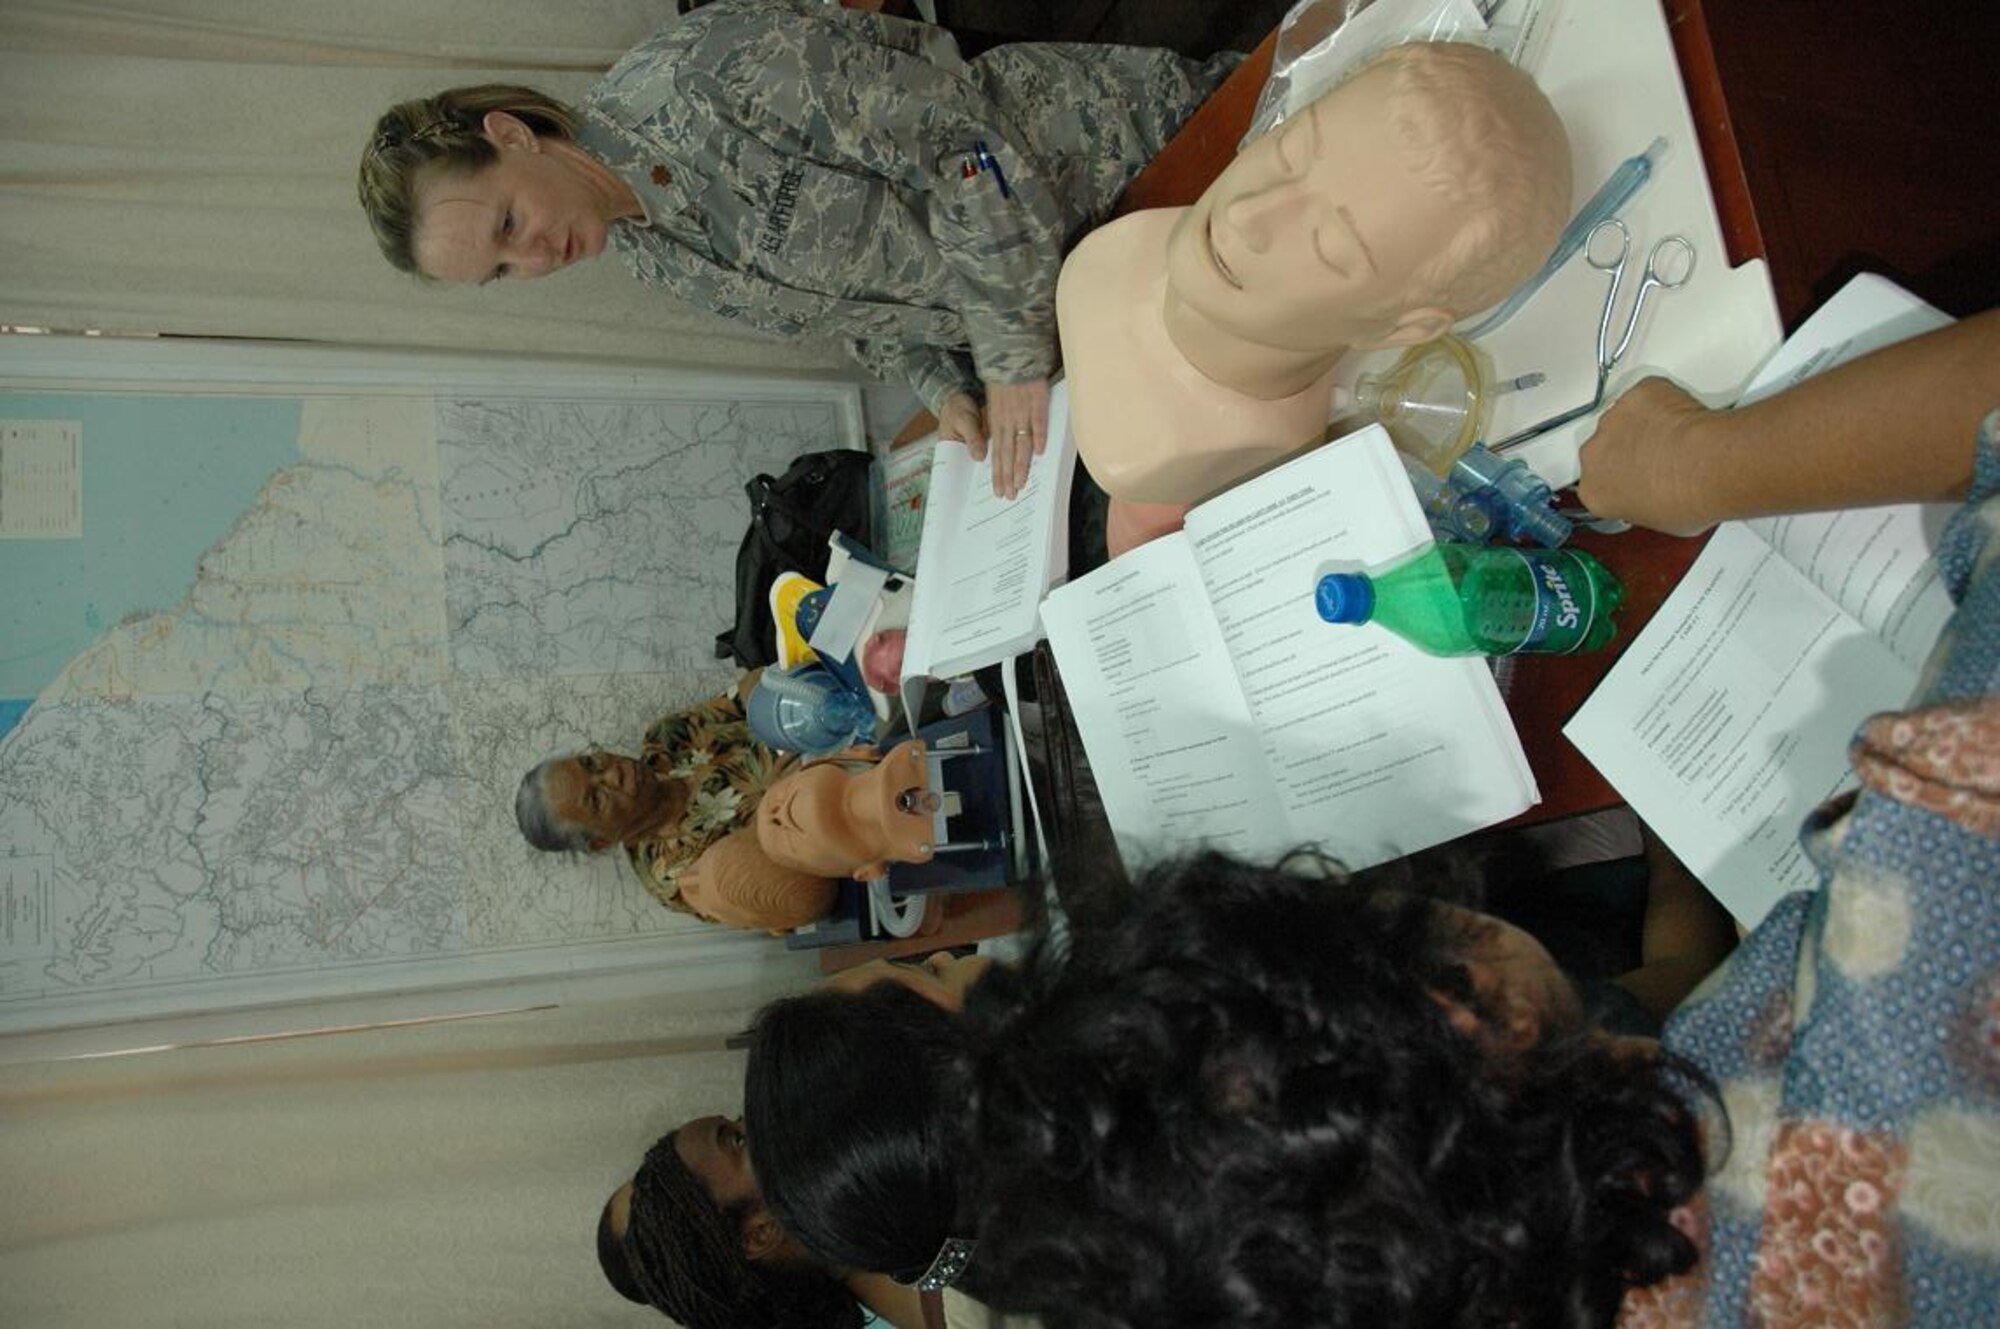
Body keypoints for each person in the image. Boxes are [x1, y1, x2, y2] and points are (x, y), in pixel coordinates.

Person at [957, 307, 2000, 1326]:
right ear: (1461, 1005)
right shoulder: (1885, 1038)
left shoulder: (1538, 1195)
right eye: (1368, 915)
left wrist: (1669, 842)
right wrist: (1694, 461)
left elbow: (1653, 1013)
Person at [357, 0, 1237, 498]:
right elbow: (865, 317)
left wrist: (1008, 361)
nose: (537, 258)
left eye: (509, 226)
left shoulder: (705, 76)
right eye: (504, 273)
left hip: (1149, 163)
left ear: (512, 135)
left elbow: (962, 144)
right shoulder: (647, 252)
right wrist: (948, 385)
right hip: (1103, 302)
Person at [1052, 40, 1570, 552]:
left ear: (1394, 329)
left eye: (1327, 245)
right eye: (1288, 151)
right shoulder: (1122, 251)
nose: (1243, 215)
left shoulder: (1204, 453)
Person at [513, 677, 804, 923]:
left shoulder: (666, 740)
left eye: (591, 764)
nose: (613, 775)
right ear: (601, 841)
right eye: (597, 798)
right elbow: (787, 876)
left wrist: (780, 681)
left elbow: (748, 693)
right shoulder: (676, 873)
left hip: (817, 718)